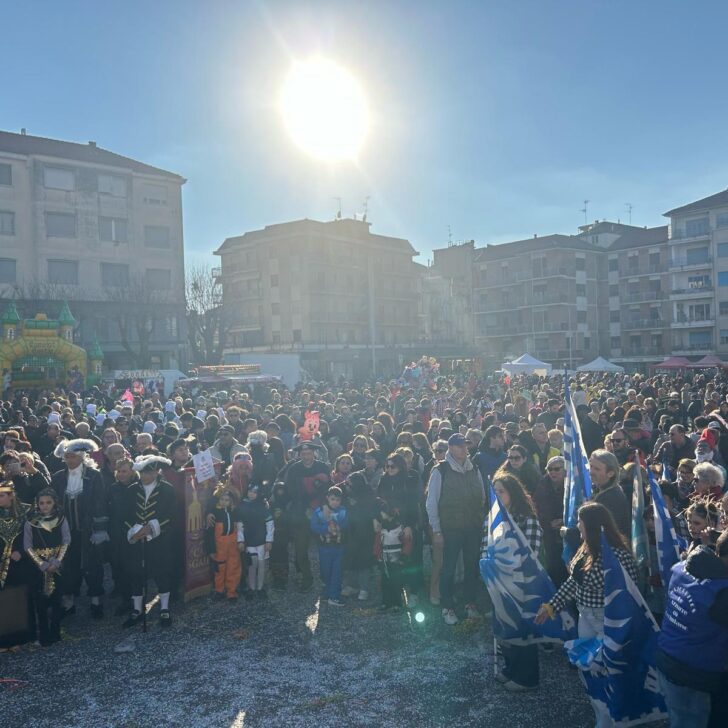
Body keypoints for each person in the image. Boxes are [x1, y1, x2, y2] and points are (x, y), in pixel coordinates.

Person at [536, 503, 639, 728]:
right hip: (585, 619)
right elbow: (574, 581)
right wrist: (551, 605)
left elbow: (630, 592)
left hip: (607, 621)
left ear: (592, 525)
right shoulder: (586, 548)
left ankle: (618, 720)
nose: (577, 526)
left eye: (580, 521)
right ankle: (600, 717)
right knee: (589, 671)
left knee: (610, 672)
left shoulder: (619, 555)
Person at [656, 529, 728, 728]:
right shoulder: (722, 594)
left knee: (678, 717)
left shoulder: (682, 566)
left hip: (668, 659)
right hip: (692, 676)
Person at [426, 433, 485, 626]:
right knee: (448, 569)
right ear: (450, 447)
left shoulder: (474, 468)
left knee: (471, 568)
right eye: (460, 446)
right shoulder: (440, 470)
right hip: (450, 528)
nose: (464, 449)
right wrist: (437, 530)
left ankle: (470, 604)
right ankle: (447, 606)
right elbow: (431, 502)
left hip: (472, 527)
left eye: (465, 445)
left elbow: (482, 496)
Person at [492, 472, 543, 691]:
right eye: (494, 492)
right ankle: (510, 668)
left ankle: (526, 677)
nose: (497, 495)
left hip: (522, 583)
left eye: (501, 491)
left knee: (523, 629)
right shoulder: (496, 518)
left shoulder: (527, 519)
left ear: (512, 493)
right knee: (506, 627)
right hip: (501, 581)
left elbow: (532, 552)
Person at [50, 439, 109, 619]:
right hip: (66, 530)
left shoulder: (94, 476)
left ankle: (96, 602)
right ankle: (69, 603)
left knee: (93, 565)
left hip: (88, 529)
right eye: (67, 456)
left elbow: (100, 503)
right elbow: (54, 504)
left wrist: (100, 529)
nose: (70, 460)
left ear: (82, 456)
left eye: (73, 456)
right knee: (68, 566)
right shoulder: (58, 477)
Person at [121, 455, 176, 628]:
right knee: (135, 573)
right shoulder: (131, 490)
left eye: (149, 472)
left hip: (159, 539)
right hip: (136, 538)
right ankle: (137, 609)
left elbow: (171, 515)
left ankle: (165, 608)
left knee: (162, 572)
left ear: (156, 472)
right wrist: (136, 532)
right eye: (143, 472)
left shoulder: (167, 490)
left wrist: (151, 528)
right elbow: (124, 515)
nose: (145, 476)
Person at [24, 488, 70, 646]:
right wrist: (42, 564)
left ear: (54, 503)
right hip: (38, 568)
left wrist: (57, 561)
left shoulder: (61, 519)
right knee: (40, 604)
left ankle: (55, 633)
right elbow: (27, 546)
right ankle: (44, 636)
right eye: (41, 503)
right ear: (37, 504)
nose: (45, 506)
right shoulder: (30, 522)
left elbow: (66, 540)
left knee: (57, 601)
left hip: (57, 565)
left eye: (48, 502)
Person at [284, 441, 331, 591]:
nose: (306, 456)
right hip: (300, 513)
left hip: (320, 512)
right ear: (299, 455)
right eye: (303, 454)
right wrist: (304, 505)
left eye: (309, 453)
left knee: (325, 547)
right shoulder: (293, 469)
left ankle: (327, 578)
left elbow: (328, 489)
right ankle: (306, 577)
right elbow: (290, 490)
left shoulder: (322, 467)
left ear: (314, 453)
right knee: (300, 549)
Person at [0, 480, 34, 648]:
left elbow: (32, 535)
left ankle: (24, 635)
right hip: (2, 561)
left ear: (11, 495)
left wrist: (21, 550)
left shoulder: (25, 512)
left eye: (2, 495)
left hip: (21, 560)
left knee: (21, 595)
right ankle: (6, 637)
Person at [341, 471, 378, 601]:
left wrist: (355, 505)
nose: (346, 486)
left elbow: (368, 512)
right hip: (351, 534)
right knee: (350, 559)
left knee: (364, 562)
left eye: (349, 484)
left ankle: (364, 588)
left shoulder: (368, 495)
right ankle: (351, 585)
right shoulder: (346, 495)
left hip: (365, 534)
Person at [310, 485, 348, 607]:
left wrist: (338, 527)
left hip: (338, 546)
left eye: (337, 500)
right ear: (327, 498)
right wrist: (325, 528)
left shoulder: (343, 511)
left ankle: (334, 596)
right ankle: (327, 592)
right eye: (332, 499)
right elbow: (313, 526)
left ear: (341, 500)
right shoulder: (319, 512)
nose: (335, 502)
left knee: (337, 572)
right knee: (325, 570)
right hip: (324, 546)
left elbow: (347, 525)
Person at [237, 482, 274, 599]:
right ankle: (252, 588)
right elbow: (239, 525)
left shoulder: (262, 506)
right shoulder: (242, 505)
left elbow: (270, 523)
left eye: (255, 492)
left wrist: (269, 540)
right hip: (249, 540)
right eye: (250, 491)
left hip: (262, 540)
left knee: (262, 563)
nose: (252, 494)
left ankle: (260, 587)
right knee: (252, 564)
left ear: (258, 494)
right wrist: (240, 541)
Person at [207, 487, 242, 601]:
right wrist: (211, 549)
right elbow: (210, 533)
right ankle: (219, 590)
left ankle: (231, 591)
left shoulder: (234, 512)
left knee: (233, 567)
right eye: (222, 499)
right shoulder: (214, 514)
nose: (224, 502)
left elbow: (239, 527)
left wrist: (240, 542)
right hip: (219, 545)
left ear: (231, 501)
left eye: (227, 500)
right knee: (220, 568)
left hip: (233, 544)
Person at [587, 449, 630, 538]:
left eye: (597, 469)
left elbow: (596, 532)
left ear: (610, 473)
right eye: (591, 466)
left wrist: (568, 533)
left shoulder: (611, 498)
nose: (591, 472)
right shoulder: (600, 491)